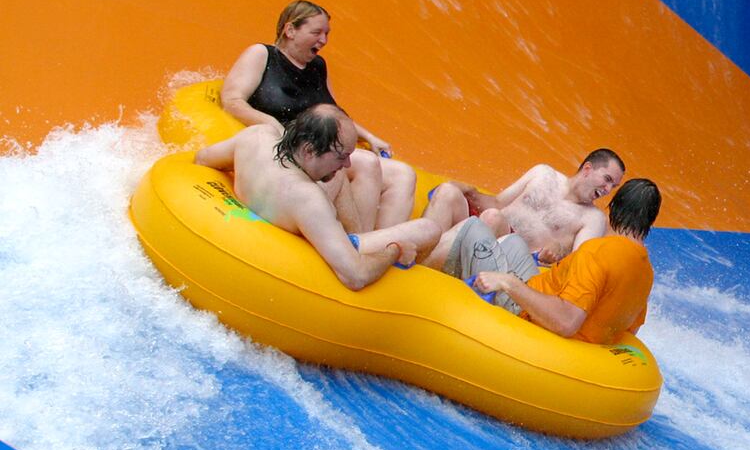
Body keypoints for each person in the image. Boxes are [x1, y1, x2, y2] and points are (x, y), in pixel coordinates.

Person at [195, 105, 447, 291]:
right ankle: (396, 278)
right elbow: (355, 276)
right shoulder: (307, 197)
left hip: (280, 212)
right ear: (308, 149)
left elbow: (202, 159)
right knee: (428, 229)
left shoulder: (256, 137)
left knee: (335, 177)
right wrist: (394, 250)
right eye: (340, 156)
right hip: (315, 243)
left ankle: (364, 234)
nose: (347, 162)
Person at [219, 0, 416, 231]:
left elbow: (335, 115)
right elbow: (231, 101)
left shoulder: (318, 66)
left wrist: (370, 137)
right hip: (291, 149)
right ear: (290, 30)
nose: (323, 40)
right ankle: (360, 240)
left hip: (322, 149)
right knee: (368, 164)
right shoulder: (262, 55)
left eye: (326, 33)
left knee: (403, 173)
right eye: (316, 32)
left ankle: (386, 242)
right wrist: (271, 124)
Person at [447, 178, 661, 344]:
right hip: (540, 289)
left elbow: (566, 322)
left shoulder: (597, 252)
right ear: (649, 222)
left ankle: (427, 269)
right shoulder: (646, 270)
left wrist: (508, 283)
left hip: (523, 310)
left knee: (474, 229)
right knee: (513, 242)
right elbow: (630, 329)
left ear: (614, 208)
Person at [422, 149, 626, 269]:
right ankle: (421, 249)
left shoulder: (593, 218)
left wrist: (560, 248)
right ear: (588, 169)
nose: (607, 189)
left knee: (493, 219)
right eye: (607, 179)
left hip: (512, 259)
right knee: (449, 191)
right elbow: (497, 203)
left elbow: (578, 264)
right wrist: (471, 192)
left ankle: (419, 267)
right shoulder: (543, 173)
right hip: (486, 229)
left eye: (613, 186)